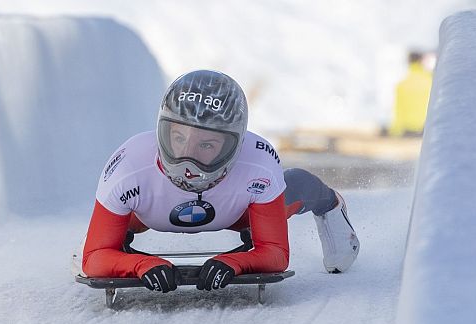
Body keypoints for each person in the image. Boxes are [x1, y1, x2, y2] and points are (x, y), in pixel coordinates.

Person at [82, 70, 359, 292]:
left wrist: (237, 262)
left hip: (240, 212)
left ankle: (331, 203)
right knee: (114, 221)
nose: (187, 160)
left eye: (206, 145)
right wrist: (138, 264)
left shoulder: (258, 163)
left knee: (296, 186)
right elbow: (93, 256)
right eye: (178, 138)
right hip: (147, 212)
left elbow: (275, 253)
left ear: (234, 146)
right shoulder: (129, 165)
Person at [389, 51, 433, 137]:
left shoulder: (401, 84)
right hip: (424, 131)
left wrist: (395, 131)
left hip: (407, 131)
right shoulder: (431, 82)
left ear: (408, 62)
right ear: (422, 61)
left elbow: (398, 110)